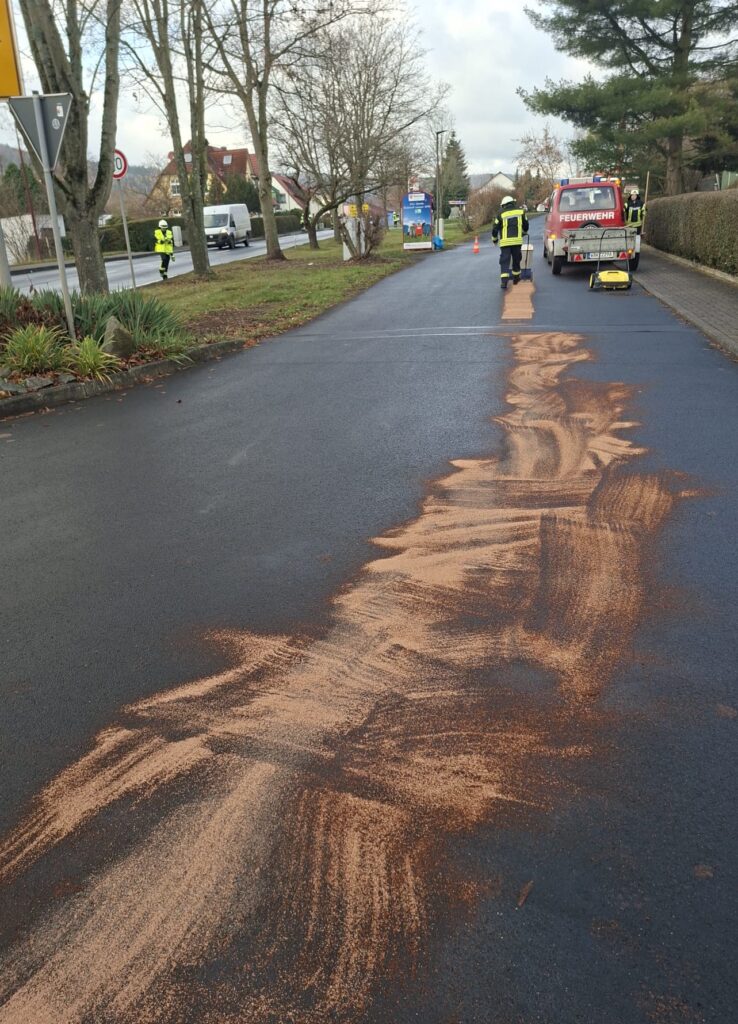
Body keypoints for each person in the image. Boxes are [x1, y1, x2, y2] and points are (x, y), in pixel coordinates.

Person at [492, 196, 529, 289]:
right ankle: (516, 279)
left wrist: (494, 239)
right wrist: (524, 231)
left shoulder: (500, 213)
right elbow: (526, 225)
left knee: (504, 260)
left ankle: (504, 282)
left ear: (504, 205)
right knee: (516, 259)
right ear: (513, 203)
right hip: (517, 242)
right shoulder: (521, 211)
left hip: (505, 243)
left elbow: (495, 228)